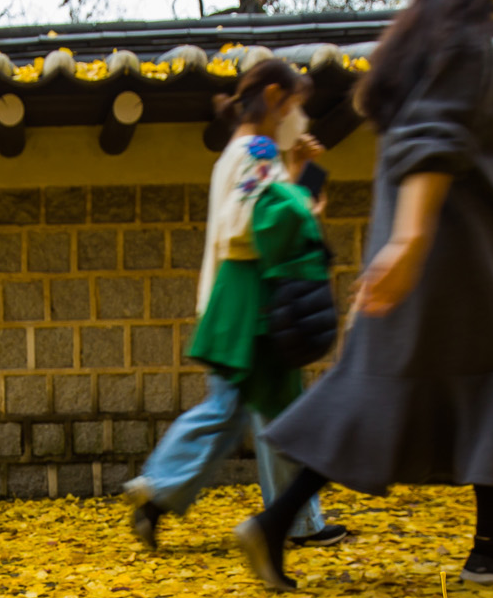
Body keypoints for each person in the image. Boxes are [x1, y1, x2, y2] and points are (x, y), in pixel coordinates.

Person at [233, 0, 493, 591]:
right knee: (478, 385)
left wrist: (488, 176)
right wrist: (414, 239)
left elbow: (440, 140)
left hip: (446, 251)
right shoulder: (462, 42)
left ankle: (277, 525)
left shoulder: (435, 37)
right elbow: (430, 140)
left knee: (388, 391)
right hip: (447, 263)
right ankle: (489, 546)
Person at [124, 59, 348, 553]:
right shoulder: (260, 148)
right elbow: (253, 223)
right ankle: (164, 489)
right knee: (263, 412)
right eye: (295, 106)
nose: (300, 119)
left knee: (250, 412)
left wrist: (294, 177)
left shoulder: (241, 153)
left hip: (237, 306)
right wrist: (304, 187)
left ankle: (162, 493)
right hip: (251, 309)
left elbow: (259, 205)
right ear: (274, 98)